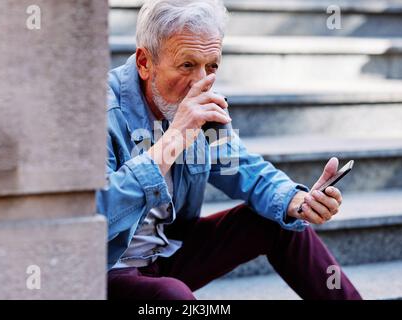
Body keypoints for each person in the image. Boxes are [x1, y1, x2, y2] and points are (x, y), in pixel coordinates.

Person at [97, 0, 362, 300]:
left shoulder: (199, 107)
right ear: (145, 63)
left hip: (165, 253)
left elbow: (242, 167)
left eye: (211, 66)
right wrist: (173, 140)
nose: (201, 82)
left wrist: (297, 200)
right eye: (187, 65)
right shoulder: (99, 110)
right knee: (173, 297)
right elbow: (96, 213)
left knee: (278, 223)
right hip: (106, 269)